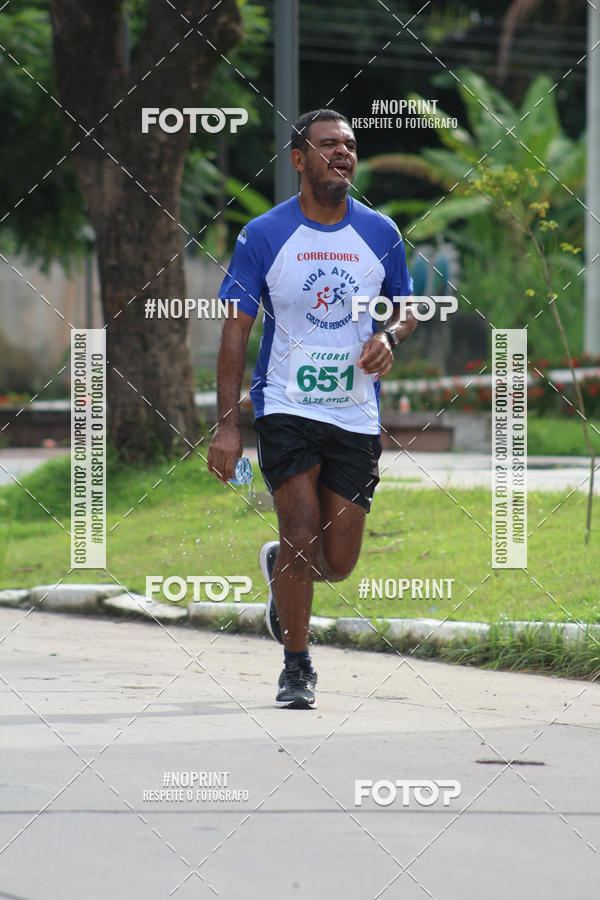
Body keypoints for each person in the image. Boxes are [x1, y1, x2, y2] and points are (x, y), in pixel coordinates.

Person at [207, 109, 416, 709]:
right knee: (299, 534)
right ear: (299, 159)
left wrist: (391, 336)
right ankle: (296, 666)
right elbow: (236, 332)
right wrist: (228, 426)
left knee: (339, 562)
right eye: (328, 146)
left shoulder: (381, 233)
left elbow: (408, 306)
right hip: (287, 407)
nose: (342, 154)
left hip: (354, 415)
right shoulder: (265, 234)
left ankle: (280, 571)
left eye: (349, 146)